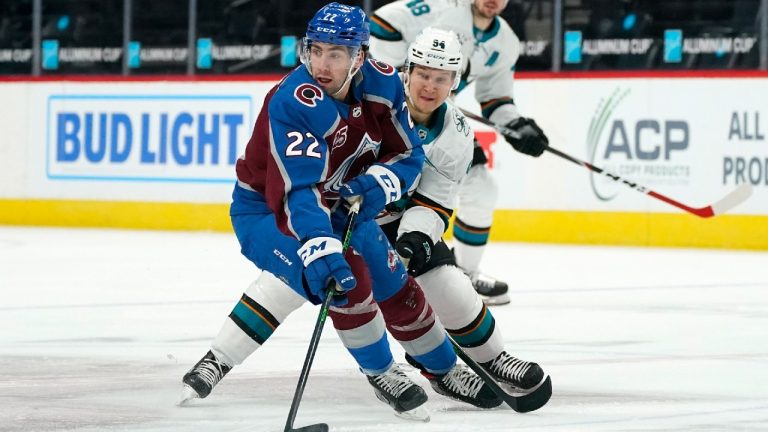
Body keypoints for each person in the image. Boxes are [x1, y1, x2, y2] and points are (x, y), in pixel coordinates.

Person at [180, 2, 500, 418]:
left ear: (359, 57)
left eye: (336, 53)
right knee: (338, 276)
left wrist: (375, 184)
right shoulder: (291, 101)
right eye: (316, 51)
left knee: (396, 280)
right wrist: (320, 245)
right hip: (269, 210)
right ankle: (379, 371)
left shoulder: (383, 85)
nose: (322, 65)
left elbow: (406, 154)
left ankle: (444, 370)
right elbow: (298, 193)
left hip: (339, 206)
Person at [369, 0, 550, 305]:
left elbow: (495, 99)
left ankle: (465, 275)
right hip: (395, 115)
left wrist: (518, 126)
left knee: (481, 189)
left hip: (440, 120)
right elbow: (383, 24)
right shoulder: (441, 7)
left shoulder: (507, 42)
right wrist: (404, 76)